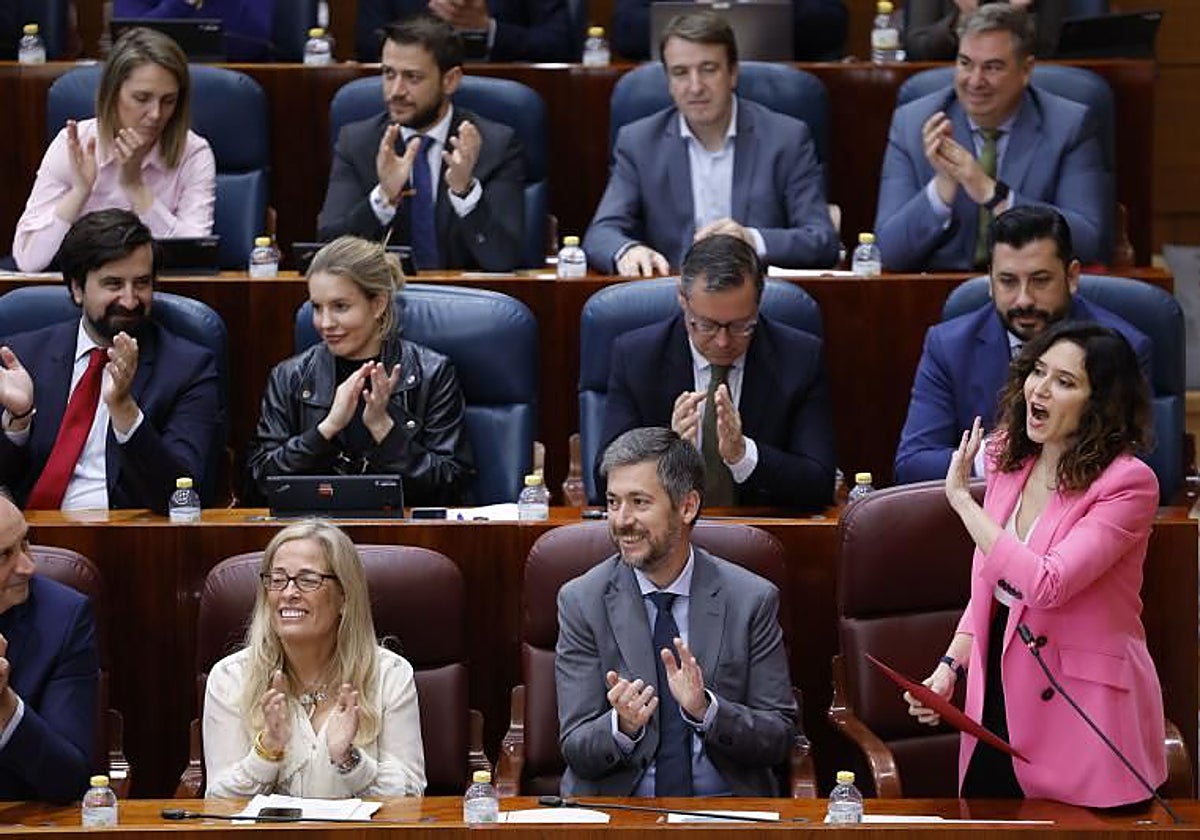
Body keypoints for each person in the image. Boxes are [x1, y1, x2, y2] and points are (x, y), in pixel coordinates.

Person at [904, 320, 1166, 806]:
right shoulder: (1009, 456)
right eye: (1038, 371)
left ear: (1099, 404)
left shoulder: (1128, 485)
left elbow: (1046, 584)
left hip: (1086, 709)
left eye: (1065, 382)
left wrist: (964, 503)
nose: (1040, 390)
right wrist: (950, 667)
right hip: (998, 689)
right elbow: (994, 583)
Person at [557, 427, 797, 796]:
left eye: (639, 502)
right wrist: (622, 726)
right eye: (613, 502)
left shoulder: (750, 599)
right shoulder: (581, 601)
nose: (621, 520)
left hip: (722, 812)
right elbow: (576, 747)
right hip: (622, 813)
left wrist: (708, 711)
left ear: (687, 506)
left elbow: (779, 736)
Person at [894, 206, 1149, 485]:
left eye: (1040, 281)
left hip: (1081, 516)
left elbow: (1137, 465)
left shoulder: (1123, 347)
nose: (1024, 299)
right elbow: (913, 465)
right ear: (990, 281)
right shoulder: (949, 346)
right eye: (1008, 281)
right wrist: (996, 457)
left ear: (1072, 276)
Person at [583, 11, 839, 277]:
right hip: (673, 295)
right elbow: (601, 233)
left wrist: (751, 240)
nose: (695, 87)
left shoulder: (786, 137)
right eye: (680, 73)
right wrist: (627, 250)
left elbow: (821, 240)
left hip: (760, 299)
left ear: (733, 74)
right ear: (669, 82)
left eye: (708, 69)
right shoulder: (639, 142)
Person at [0, 209, 221, 512]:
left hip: (127, 542)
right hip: (26, 538)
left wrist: (124, 409)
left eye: (141, 283)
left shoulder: (188, 368)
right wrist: (18, 420)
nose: (130, 301)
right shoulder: (22, 357)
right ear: (78, 289)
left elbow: (182, 497)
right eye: (113, 284)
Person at [598, 234, 835, 509]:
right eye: (707, 325)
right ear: (683, 300)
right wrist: (665, 456)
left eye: (739, 326)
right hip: (665, 538)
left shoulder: (799, 358)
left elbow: (818, 484)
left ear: (758, 304)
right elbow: (603, 477)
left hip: (762, 531)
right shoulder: (637, 357)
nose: (723, 342)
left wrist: (743, 455)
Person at [874, 4, 1110, 272]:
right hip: (940, 297)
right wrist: (942, 188)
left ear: (1026, 71)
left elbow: (1088, 241)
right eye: (965, 64)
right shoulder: (913, 123)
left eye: (993, 67)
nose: (975, 81)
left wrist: (994, 195)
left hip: (1032, 295)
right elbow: (888, 251)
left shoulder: (1069, 125)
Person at [246, 236, 474, 506]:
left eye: (340, 306)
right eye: (317, 308)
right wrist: (325, 429)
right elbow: (258, 484)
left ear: (378, 304)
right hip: (314, 532)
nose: (325, 323)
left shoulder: (432, 373)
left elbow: (452, 484)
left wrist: (384, 429)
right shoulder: (290, 376)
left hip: (402, 535)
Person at [204, 520, 426, 797]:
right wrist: (267, 751)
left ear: (344, 596)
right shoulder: (230, 678)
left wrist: (349, 760)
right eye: (277, 579)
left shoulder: (390, 674)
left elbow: (410, 797)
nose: (288, 593)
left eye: (308, 580)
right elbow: (217, 802)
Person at [318, 13, 525, 272]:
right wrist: (383, 198)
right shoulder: (358, 142)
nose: (395, 91)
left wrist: (465, 192)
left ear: (450, 80)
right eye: (389, 74)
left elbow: (503, 259)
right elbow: (328, 258)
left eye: (412, 77)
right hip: (384, 303)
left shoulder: (494, 145)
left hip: (467, 305)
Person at [12, 27, 215, 272]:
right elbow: (29, 261)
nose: (156, 114)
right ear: (112, 93)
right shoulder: (74, 145)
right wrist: (79, 192)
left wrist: (136, 187)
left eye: (168, 101)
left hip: (160, 294)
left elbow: (192, 260)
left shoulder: (193, 153)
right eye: (142, 98)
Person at [0, 494, 99, 803]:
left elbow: (70, 781)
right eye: (3, 556)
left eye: (25, 543)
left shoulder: (62, 617)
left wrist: (4, 706)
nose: (27, 567)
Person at [610, 0, 848, 62]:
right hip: (679, 84)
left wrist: (762, 12)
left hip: (774, 79)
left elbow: (833, 25)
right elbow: (626, 33)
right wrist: (701, 18)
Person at [356, 0, 574, 62]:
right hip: (412, 98)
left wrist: (489, 30)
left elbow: (558, 44)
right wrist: (426, 32)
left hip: (506, 99)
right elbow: (368, 44)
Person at [112, 1, 277, 61]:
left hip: (233, 78)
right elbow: (129, 42)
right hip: (151, 78)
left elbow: (252, 46)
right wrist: (181, 4)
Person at [904, 0, 1066, 61]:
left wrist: (1016, 14)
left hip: (1022, 85)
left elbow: (1047, 49)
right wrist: (963, 18)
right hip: (949, 81)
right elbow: (917, 49)